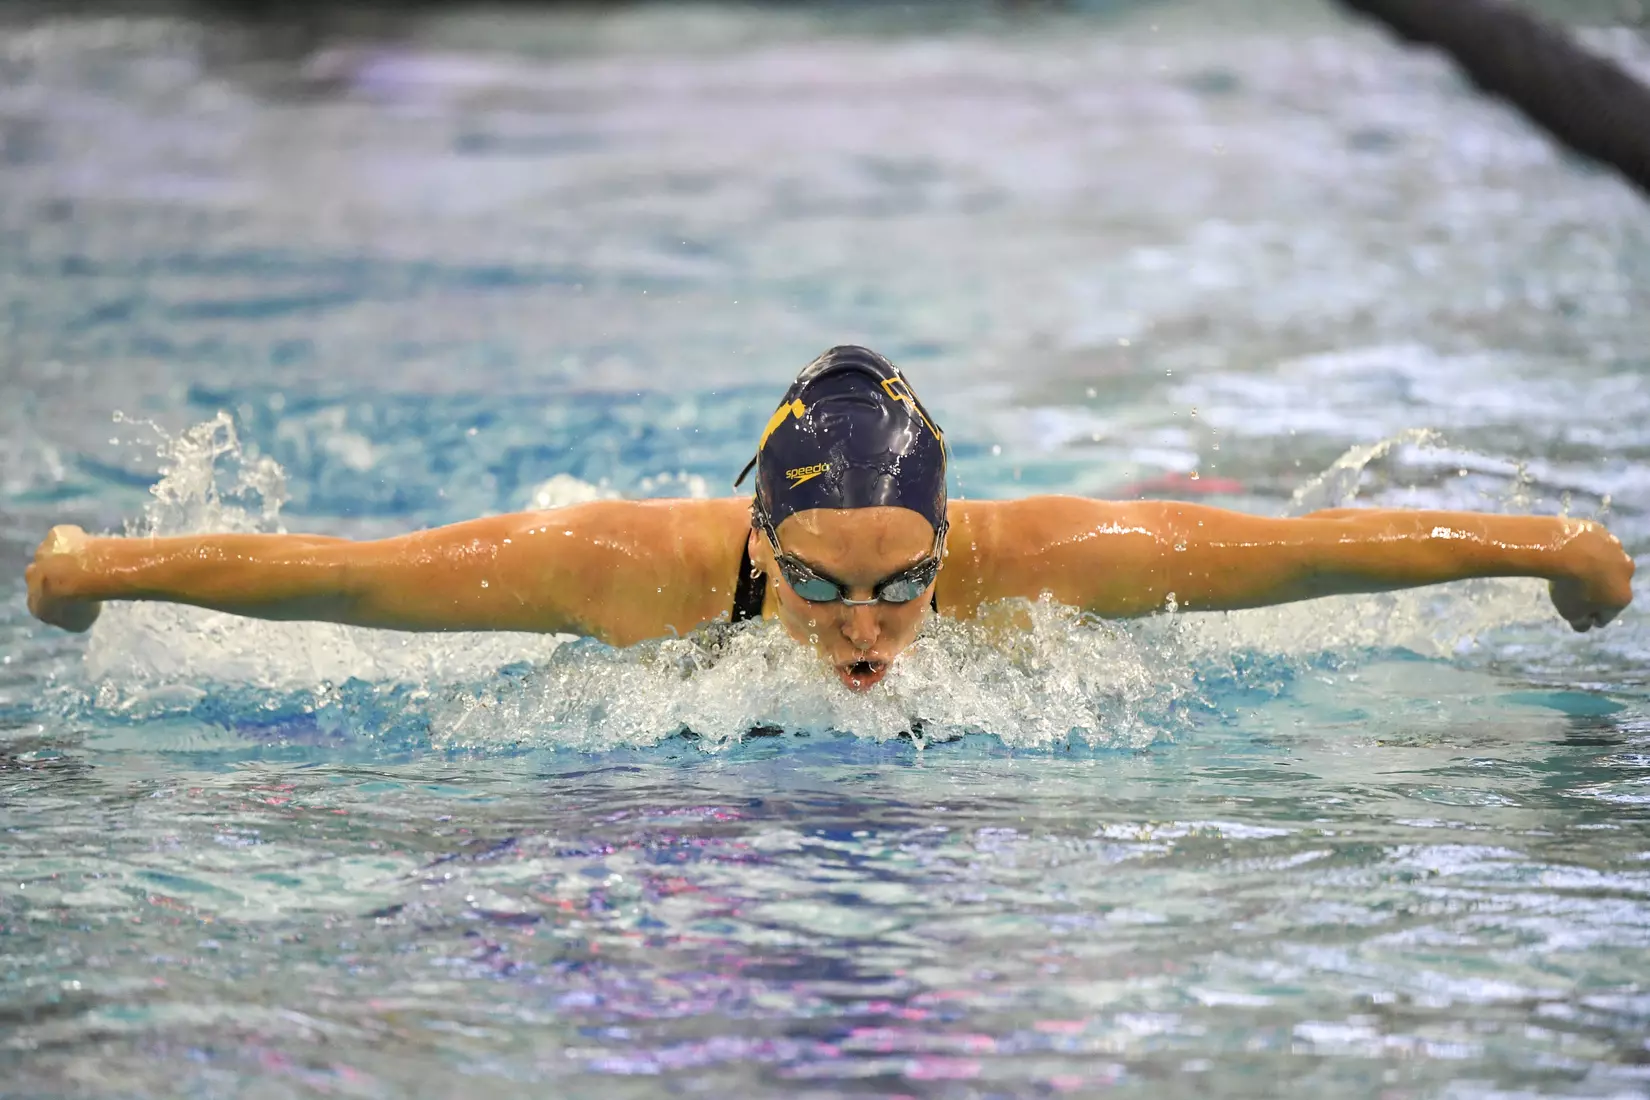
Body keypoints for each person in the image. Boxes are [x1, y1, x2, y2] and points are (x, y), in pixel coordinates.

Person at [25, 346, 1635, 692]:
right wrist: (101, 569)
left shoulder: (1037, 565)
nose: (866, 630)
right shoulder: (626, 570)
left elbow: (1311, 557)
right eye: (819, 591)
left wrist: (1553, 548)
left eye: (901, 589)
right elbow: (355, 586)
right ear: (756, 548)